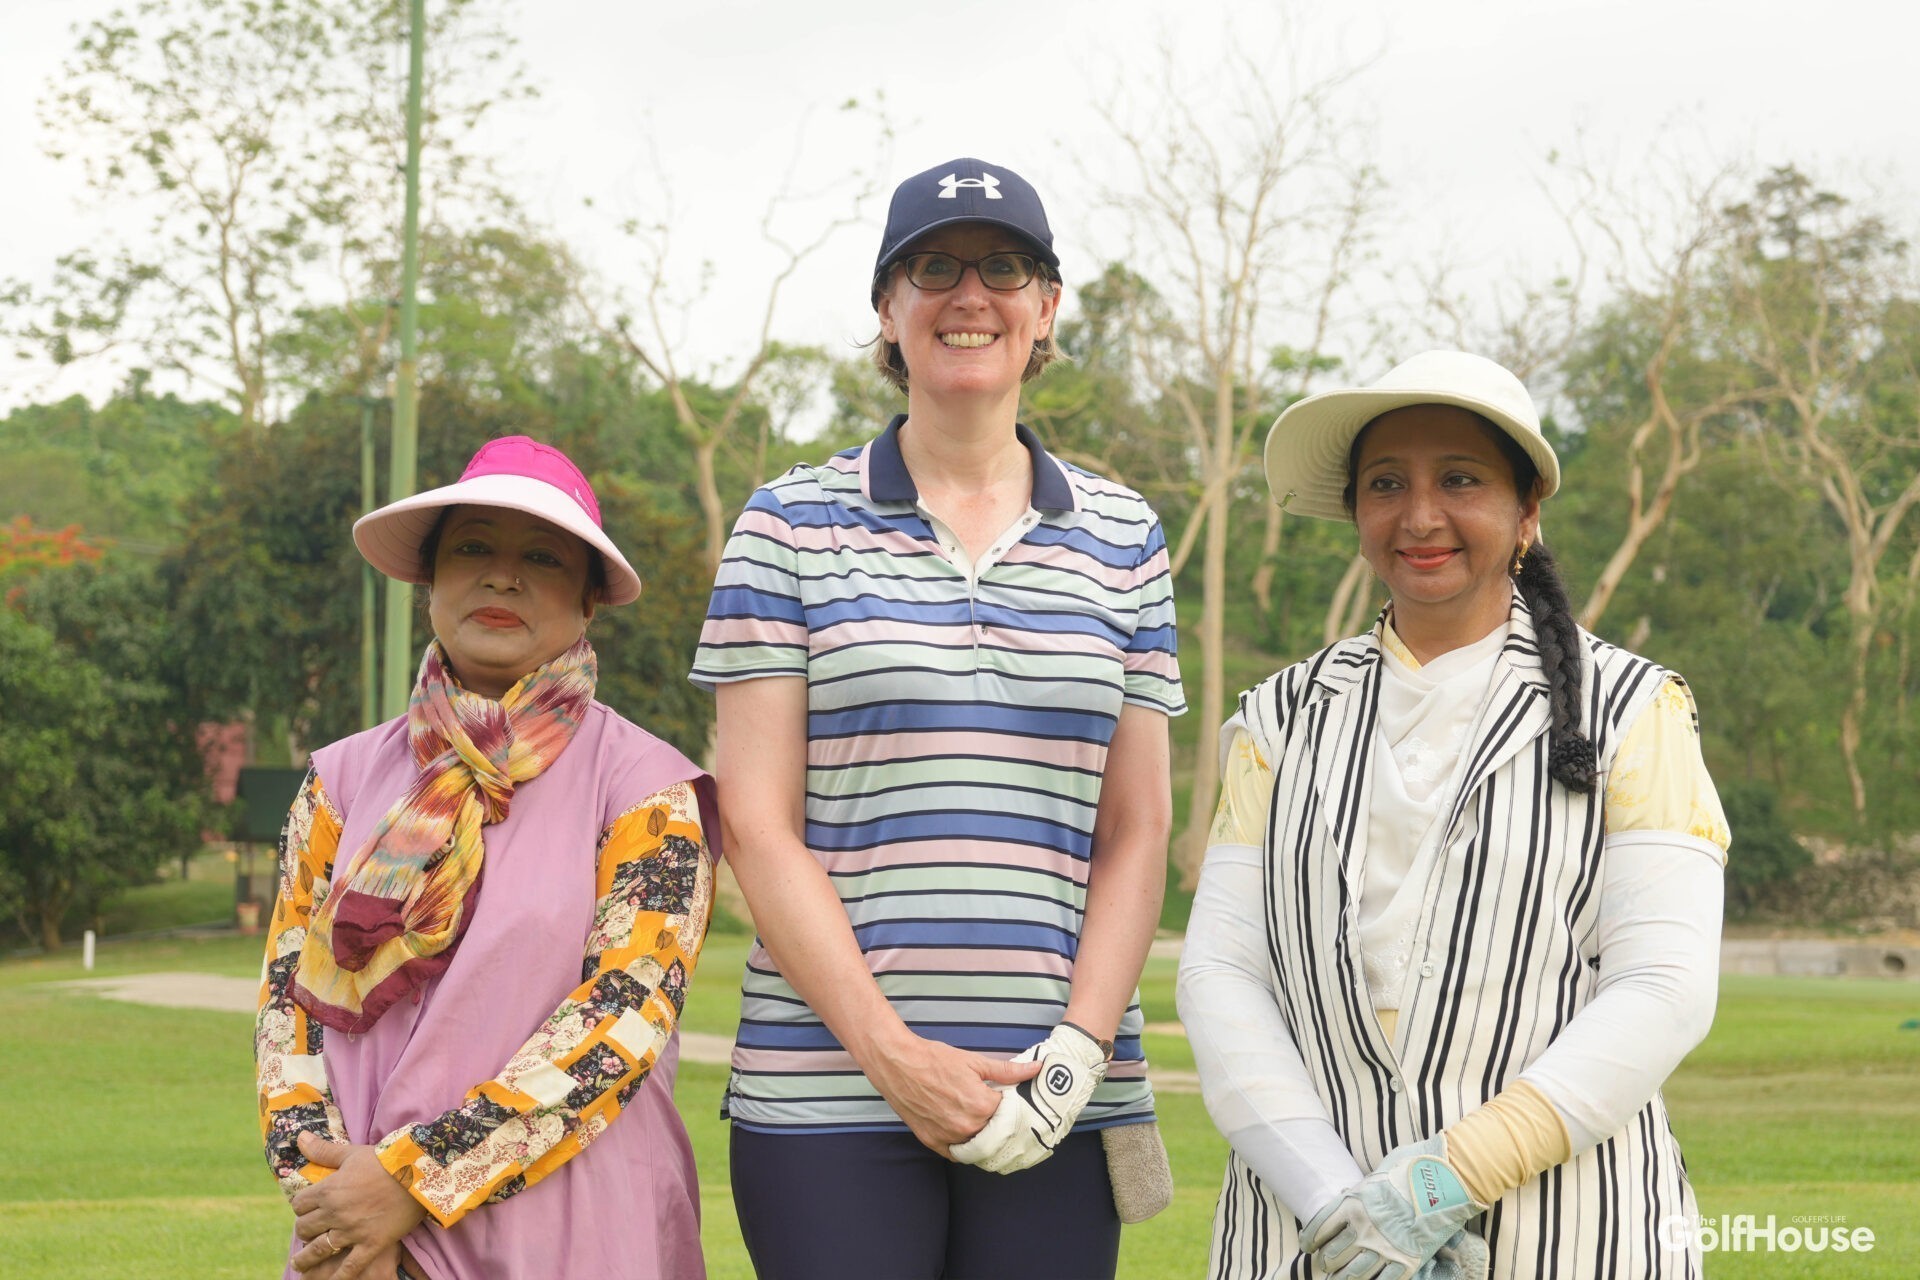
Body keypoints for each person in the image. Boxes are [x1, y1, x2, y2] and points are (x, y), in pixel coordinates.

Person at [691, 157, 1184, 1280]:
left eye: (1005, 267)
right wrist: (891, 1053)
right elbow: (757, 826)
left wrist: (1076, 1054)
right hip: (825, 1091)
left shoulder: (1124, 534)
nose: (972, 295)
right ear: (887, 307)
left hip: (1050, 1094)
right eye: (934, 268)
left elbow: (1138, 830)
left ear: (1046, 306)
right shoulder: (788, 525)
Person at [1178, 351, 1730, 1279]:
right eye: (1386, 483)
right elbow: (1220, 975)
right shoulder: (1278, 719)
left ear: (1527, 514)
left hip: (1572, 1233)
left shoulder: (1634, 711)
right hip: (1307, 1237)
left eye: (1460, 480)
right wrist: (1340, 1209)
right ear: (1356, 513)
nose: (1420, 515)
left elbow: (1664, 987)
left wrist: (1438, 1185)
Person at [253, 436, 719, 1280]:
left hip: (579, 1228)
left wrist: (418, 1179)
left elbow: (621, 1019)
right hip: (364, 1246)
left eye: (541, 556)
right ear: (430, 580)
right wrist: (335, 1201)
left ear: (588, 601)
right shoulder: (342, 781)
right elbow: (288, 1015)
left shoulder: (649, 790)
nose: (503, 576)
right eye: (474, 547)